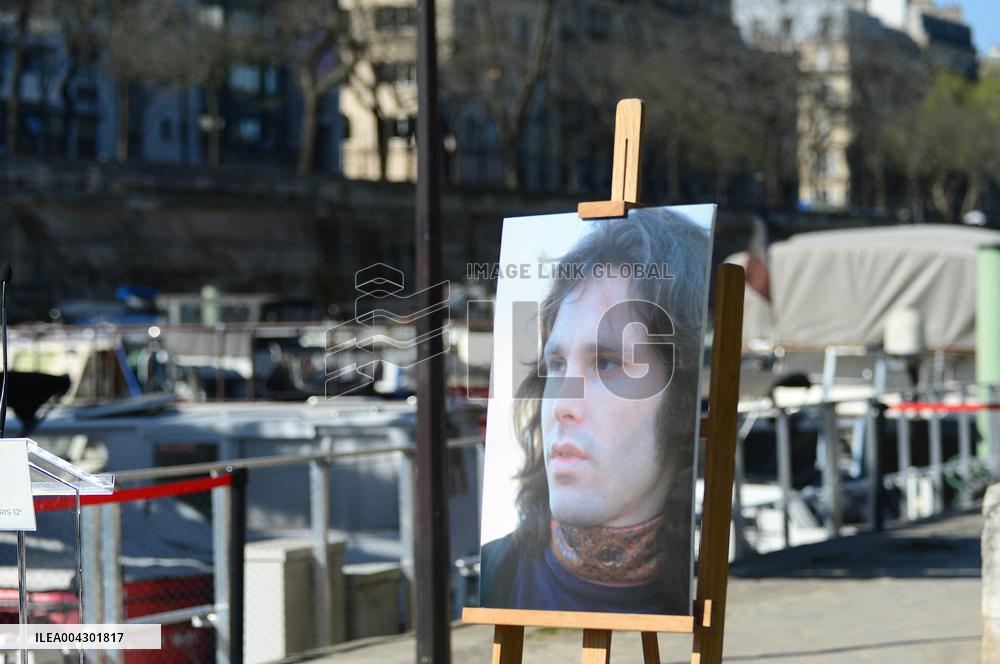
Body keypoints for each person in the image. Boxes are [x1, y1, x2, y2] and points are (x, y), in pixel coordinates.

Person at [480, 208, 710, 615]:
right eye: (556, 365)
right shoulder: (496, 577)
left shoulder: (702, 587)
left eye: (605, 363)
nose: (562, 406)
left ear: (683, 398)